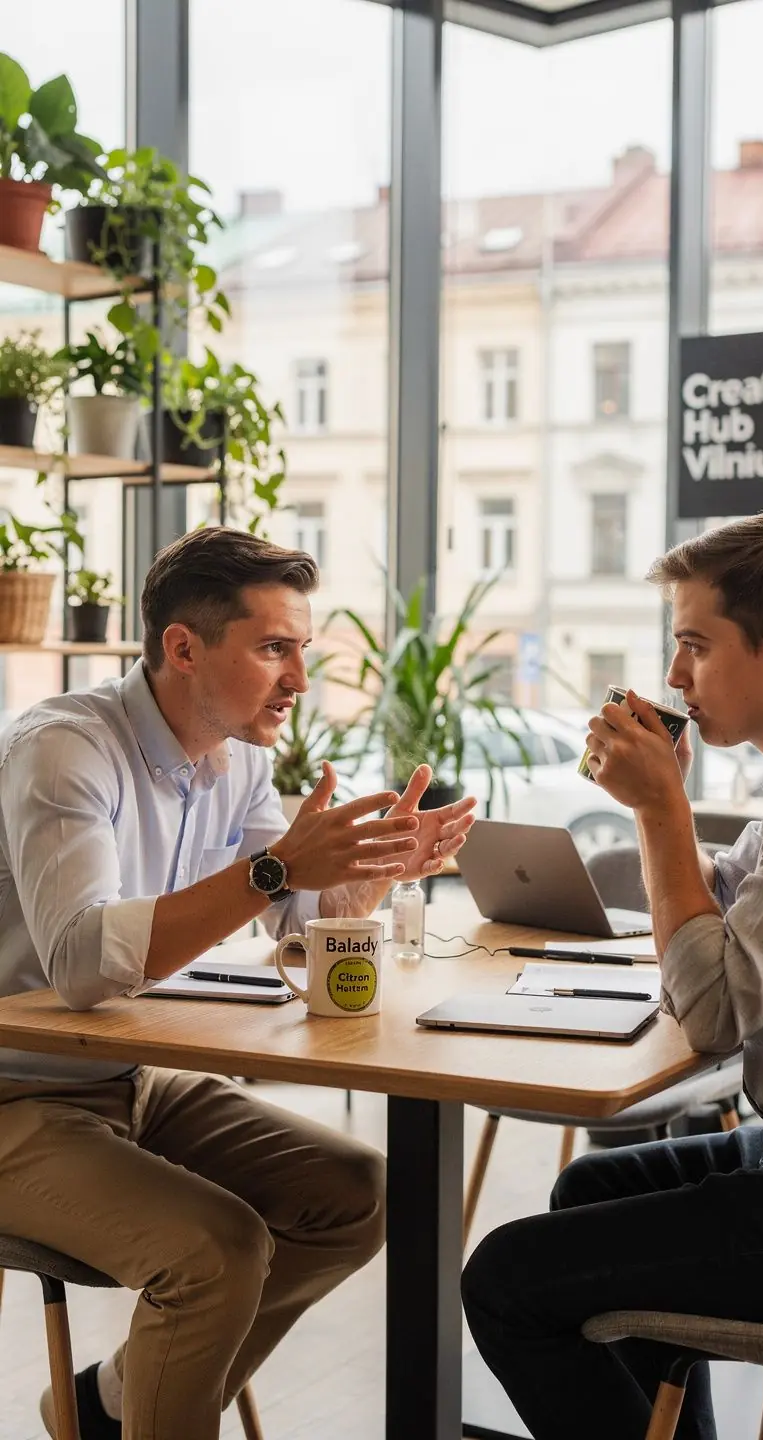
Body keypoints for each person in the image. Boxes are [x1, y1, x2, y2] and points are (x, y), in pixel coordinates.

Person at [0, 524, 476, 1440]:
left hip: (129, 1078)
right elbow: (84, 962)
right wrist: (277, 868)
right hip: (15, 1090)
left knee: (360, 1191)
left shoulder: (241, 757)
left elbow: (297, 923)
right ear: (184, 648)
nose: (301, 678)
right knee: (217, 1252)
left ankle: (110, 1404)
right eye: (274, 649)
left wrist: (377, 870)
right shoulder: (66, 748)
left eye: (303, 649)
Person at [462, 509, 763, 1440]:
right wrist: (663, 799)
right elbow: (724, 908)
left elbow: (714, 1011)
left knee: (503, 1281)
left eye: (695, 645)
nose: (674, 676)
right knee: (590, 1189)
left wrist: (662, 812)